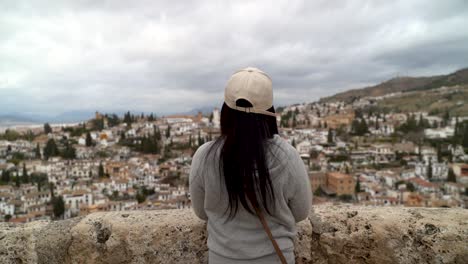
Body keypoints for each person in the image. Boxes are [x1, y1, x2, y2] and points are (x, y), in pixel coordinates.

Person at [189, 67, 312, 264]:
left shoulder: (204, 156)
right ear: (269, 112)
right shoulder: (287, 156)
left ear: (225, 111)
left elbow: (202, 212)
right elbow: (301, 212)